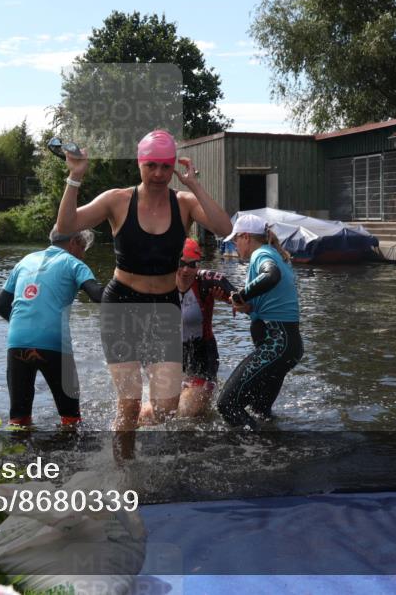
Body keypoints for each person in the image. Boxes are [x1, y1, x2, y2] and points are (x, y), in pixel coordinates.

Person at [55, 129, 233, 431]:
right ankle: (124, 472)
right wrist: (75, 177)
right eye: (151, 165)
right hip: (122, 304)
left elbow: (224, 226)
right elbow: (66, 225)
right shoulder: (118, 200)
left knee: (166, 407)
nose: (159, 173)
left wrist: (195, 185)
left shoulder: (184, 202)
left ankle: (133, 445)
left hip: (164, 306)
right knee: (129, 402)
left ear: (174, 166)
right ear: (140, 163)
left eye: (166, 166)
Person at [0, 227, 104, 427]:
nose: (83, 254)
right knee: (71, 417)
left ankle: (18, 456)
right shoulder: (74, 263)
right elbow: (98, 296)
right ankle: (70, 454)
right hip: (54, 344)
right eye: (83, 248)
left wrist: (27, 326)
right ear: (74, 243)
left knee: (19, 418)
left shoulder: (25, 261)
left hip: (17, 342)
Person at [217, 214, 304, 429]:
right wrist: (244, 306)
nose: (234, 245)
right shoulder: (275, 254)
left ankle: (252, 456)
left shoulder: (261, 254)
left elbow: (271, 275)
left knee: (227, 404)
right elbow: (270, 307)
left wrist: (241, 296)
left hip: (277, 344)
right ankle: (273, 451)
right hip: (287, 346)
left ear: (246, 236)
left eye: (235, 240)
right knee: (260, 412)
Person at [140, 238, 236, 423]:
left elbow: (239, 298)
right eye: (181, 264)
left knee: (189, 411)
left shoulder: (206, 282)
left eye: (191, 265)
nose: (186, 270)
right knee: (153, 415)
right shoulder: (159, 284)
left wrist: (235, 301)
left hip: (202, 355)